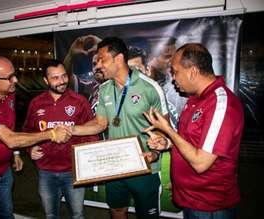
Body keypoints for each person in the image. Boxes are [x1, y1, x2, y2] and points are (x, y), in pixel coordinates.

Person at [0, 56, 72, 219]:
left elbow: (10, 126)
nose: (15, 80)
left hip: (4, 171)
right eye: (9, 77)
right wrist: (52, 133)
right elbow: (10, 138)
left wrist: (15, 154)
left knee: (6, 214)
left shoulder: (9, 94)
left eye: (15, 74)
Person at [71, 37, 168, 219]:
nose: (98, 65)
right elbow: (100, 124)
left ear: (119, 58)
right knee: (117, 211)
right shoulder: (105, 89)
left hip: (145, 166)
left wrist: (155, 153)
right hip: (115, 166)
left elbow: (165, 127)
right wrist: (71, 130)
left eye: (102, 59)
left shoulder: (150, 87)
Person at [144, 43, 244, 219]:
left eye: (175, 72)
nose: (173, 79)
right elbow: (191, 141)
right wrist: (167, 142)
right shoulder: (195, 99)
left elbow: (200, 163)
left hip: (210, 206)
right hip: (191, 200)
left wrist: (168, 130)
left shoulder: (222, 104)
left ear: (193, 72)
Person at [22, 59, 98, 219]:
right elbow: (27, 131)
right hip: (46, 172)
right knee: (50, 215)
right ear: (45, 80)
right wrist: (30, 149)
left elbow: (92, 132)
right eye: (55, 78)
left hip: (73, 171)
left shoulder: (80, 101)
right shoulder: (36, 103)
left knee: (78, 215)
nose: (62, 81)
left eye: (64, 76)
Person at [147, 37, 187, 128]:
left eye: (171, 46)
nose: (167, 49)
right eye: (165, 45)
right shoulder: (149, 73)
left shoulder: (180, 82)